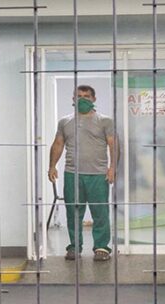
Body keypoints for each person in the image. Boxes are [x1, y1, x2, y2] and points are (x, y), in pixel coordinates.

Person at [47, 85, 117, 262]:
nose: (82, 99)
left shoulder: (105, 121)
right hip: (73, 174)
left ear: (94, 99)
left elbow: (113, 144)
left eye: (87, 96)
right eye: (79, 96)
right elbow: (58, 144)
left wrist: (113, 168)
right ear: (73, 99)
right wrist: (52, 166)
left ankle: (102, 247)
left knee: (100, 212)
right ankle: (74, 247)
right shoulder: (65, 122)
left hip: (98, 175)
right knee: (73, 211)